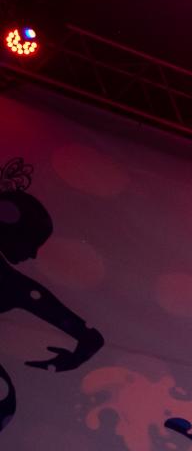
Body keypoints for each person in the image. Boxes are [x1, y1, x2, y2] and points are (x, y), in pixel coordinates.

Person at [0, 157, 104, 435]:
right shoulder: (11, 284)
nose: (32, 255)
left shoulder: (12, 284)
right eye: (30, 242)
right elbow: (89, 337)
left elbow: (89, 336)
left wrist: (77, 356)